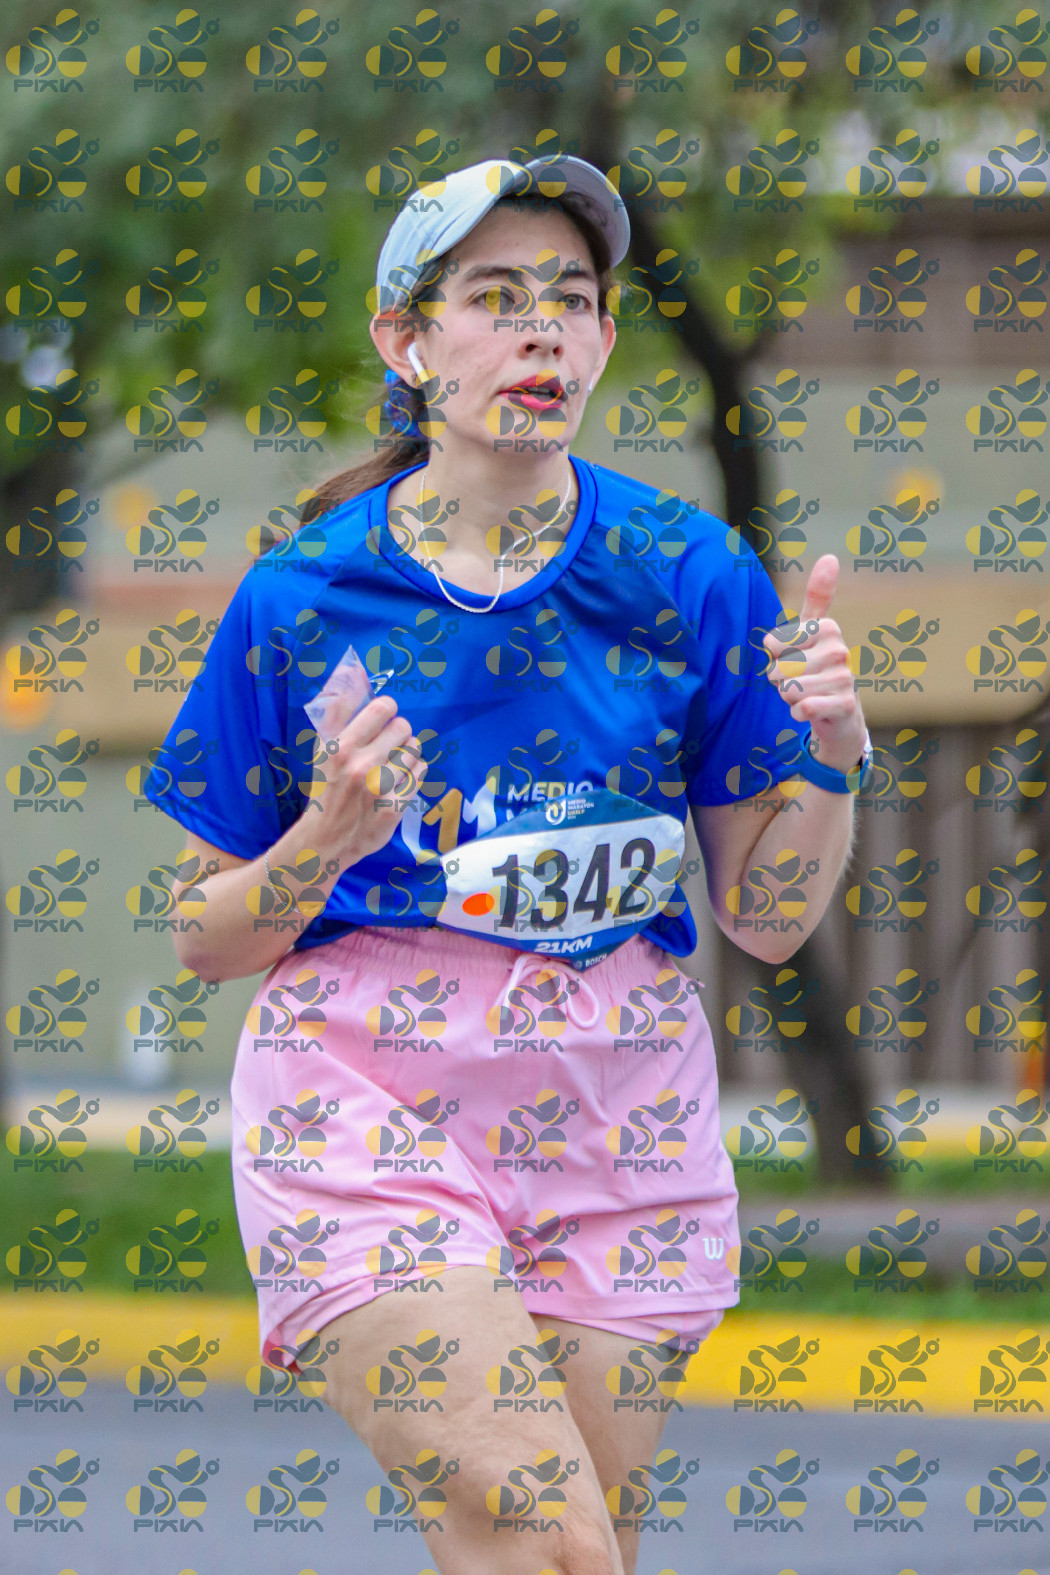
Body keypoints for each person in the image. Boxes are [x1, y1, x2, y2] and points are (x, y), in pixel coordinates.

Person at [144, 154, 872, 1575]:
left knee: (563, 1556)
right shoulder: (303, 595)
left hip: (618, 1107)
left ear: (602, 339)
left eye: (572, 299)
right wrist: (328, 838)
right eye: (494, 297)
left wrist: (835, 754)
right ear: (406, 342)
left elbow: (769, 918)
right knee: (548, 1540)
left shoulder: (689, 574)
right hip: (367, 1102)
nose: (542, 330)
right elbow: (202, 931)